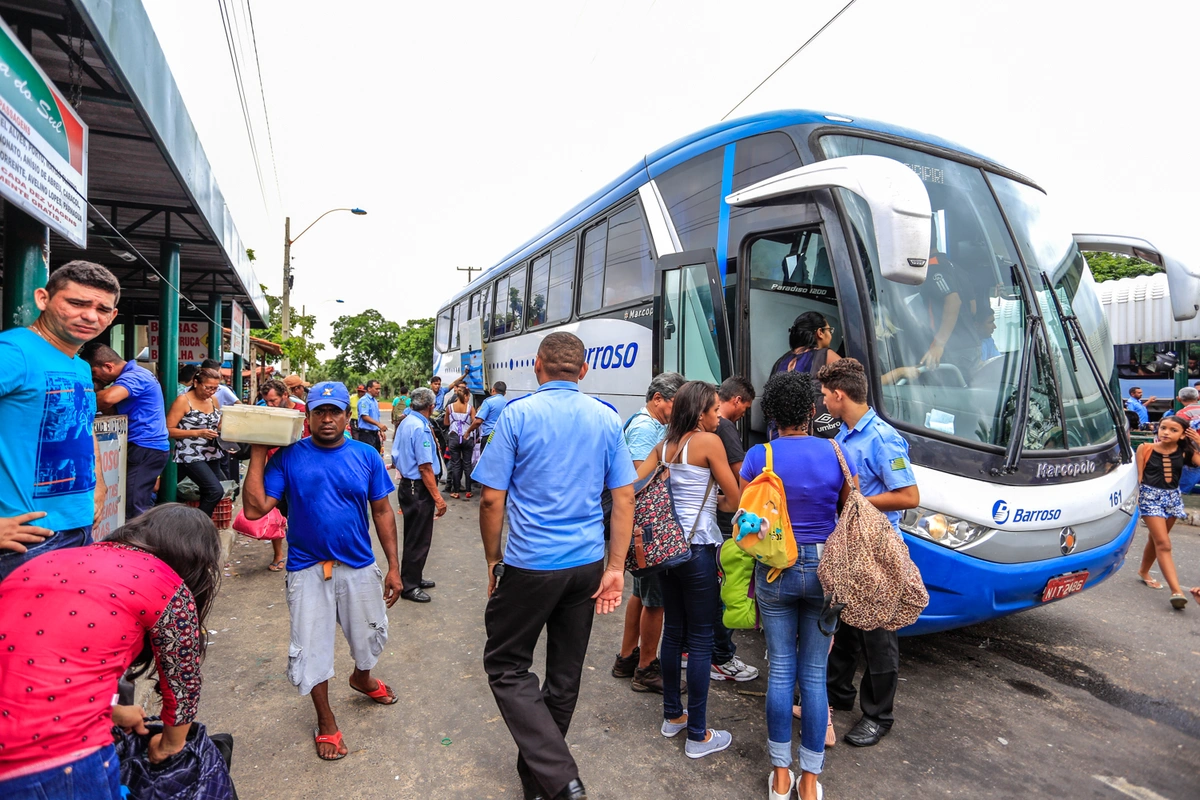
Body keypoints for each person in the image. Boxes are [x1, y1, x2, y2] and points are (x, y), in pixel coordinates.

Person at [473, 332, 637, 800]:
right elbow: (623, 495)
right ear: (583, 371)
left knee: (506, 666)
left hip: (529, 565)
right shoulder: (606, 418)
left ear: (537, 366)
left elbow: (490, 499)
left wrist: (493, 559)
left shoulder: (517, 414)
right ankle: (541, 780)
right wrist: (615, 566)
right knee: (564, 675)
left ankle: (561, 778)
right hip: (586, 563)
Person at [0, 504, 220, 797]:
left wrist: (113, 712)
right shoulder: (169, 587)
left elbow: (30, 669)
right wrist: (168, 746)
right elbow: (183, 687)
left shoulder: (51, 560)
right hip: (55, 759)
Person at [242, 381, 403, 761]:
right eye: (319, 412)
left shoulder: (366, 455)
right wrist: (257, 452)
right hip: (306, 568)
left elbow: (382, 511)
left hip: (359, 565)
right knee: (311, 649)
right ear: (307, 417)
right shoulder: (289, 457)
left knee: (369, 637)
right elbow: (253, 510)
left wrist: (394, 567)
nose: (327, 419)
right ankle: (326, 721)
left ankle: (361, 678)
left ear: (348, 418)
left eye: (334, 412)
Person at [741, 370, 857, 800]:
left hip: (775, 571)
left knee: (780, 672)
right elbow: (849, 509)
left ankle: (780, 774)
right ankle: (810, 780)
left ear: (771, 413)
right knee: (814, 674)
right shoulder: (836, 452)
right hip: (826, 569)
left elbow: (745, 514)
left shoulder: (759, 456)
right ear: (812, 410)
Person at [633, 381, 741, 759]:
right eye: (714, 410)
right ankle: (698, 735)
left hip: (667, 551)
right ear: (700, 413)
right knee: (699, 640)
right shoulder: (709, 443)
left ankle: (672, 717)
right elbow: (736, 498)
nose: (718, 416)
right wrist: (714, 498)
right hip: (697, 550)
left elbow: (633, 486)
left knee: (674, 632)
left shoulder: (663, 446)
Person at [820, 358, 920, 747]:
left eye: (827, 395)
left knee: (878, 636)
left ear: (840, 395)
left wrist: (858, 503)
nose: (824, 402)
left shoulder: (882, 438)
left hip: (877, 550)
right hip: (848, 546)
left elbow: (909, 496)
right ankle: (837, 695)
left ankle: (879, 716)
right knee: (844, 627)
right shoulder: (844, 434)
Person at [0, 260, 116, 580]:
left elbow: (83, 424)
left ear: (113, 316)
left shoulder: (79, 365)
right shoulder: (14, 352)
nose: (91, 316)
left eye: (102, 309)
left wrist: (99, 483)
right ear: (43, 299)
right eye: (77, 303)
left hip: (77, 528)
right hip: (23, 542)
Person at [612, 371, 685, 695]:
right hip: (649, 527)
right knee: (655, 601)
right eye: (675, 403)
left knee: (641, 595)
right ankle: (646, 668)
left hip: (639, 527)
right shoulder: (645, 429)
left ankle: (627, 657)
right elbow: (640, 483)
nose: (679, 410)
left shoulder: (648, 425)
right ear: (658, 400)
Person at [83, 342, 171, 520]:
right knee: (133, 500)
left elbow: (108, 399)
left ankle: (137, 545)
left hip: (145, 446)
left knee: (134, 505)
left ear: (108, 366)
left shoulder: (135, 376)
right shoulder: (134, 375)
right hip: (146, 446)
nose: (95, 378)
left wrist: (82, 396)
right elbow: (113, 409)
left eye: (94, 373)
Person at [710, 376, 760, 682]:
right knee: (730, 588)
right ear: (737, 401)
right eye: (746, 407)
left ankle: (701, 650)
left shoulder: (704, 424)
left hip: (710, 520)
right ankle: (721, 656)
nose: (744, 414)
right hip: (726, 523)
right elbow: (742, 472)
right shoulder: (725, 426)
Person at [1134, 415, 1200, 609]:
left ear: (1182, 435)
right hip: (1149, 497)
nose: (1166, 433)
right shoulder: (1145, 448)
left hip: (1172, 498)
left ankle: (1143, 572)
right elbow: (1138, 477)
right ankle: (1176, 591)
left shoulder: (1185, 452)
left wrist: (1198, 441)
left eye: (1173, 430)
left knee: (1155, 540)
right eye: (1163, 428)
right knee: (1164, 543)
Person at [392, 387, 448, 603]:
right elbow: (425, 467)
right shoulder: (419, 426)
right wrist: (438, 498)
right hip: (418, 488)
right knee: (419, 537)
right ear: (431, 406)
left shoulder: (407, 421)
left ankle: (413, 576)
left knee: (414, 535)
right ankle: (409, 585)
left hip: (409, 486)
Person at [768, 312, 842, 439]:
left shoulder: (780, 362)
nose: (830, 335)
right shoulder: (825, 356)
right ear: (820, 332)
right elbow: (855, 383)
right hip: (814, 434)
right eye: (829, 330)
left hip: (778, 435)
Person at [166, 367, 226, 518]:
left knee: (209, 492)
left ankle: (195, 525)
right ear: (196, 383)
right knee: (215, 490)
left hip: (212, 453)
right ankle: (199, 525)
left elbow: (217, 425)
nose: (211, 392)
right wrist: (197, 433)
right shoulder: (183, 400)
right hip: (190, 454)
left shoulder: (213, 400)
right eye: (208, 387)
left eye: (215, 388)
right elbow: (168, 430)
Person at [445, 382, 477, 499]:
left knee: (456, 464)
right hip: (467, 437)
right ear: (466, 396)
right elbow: (475, 422)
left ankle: (456, 491)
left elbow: (446, 423)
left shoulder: (450, 407)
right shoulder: (470, 408)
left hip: (453, 437)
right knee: (467, 464)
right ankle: (468, 491)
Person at [467, 381, 508, 455]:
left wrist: (468, 431)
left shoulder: (488, 402)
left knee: (486, 461)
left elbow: (478, 421)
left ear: (493, 390)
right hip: (502, 437)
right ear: (505, 393)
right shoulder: (508, 403)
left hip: (489, 436)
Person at [356, 379, 387, 454]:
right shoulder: (364, 401)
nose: (378, 391)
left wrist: (380, 430)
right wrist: (378, 424)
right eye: (376, 389)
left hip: (374, 434)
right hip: (366, 434)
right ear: (369, 389)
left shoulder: (374, 401)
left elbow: (376, 417)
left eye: (379, 389)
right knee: (367, 456)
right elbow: (364, 416)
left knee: (376, 455)